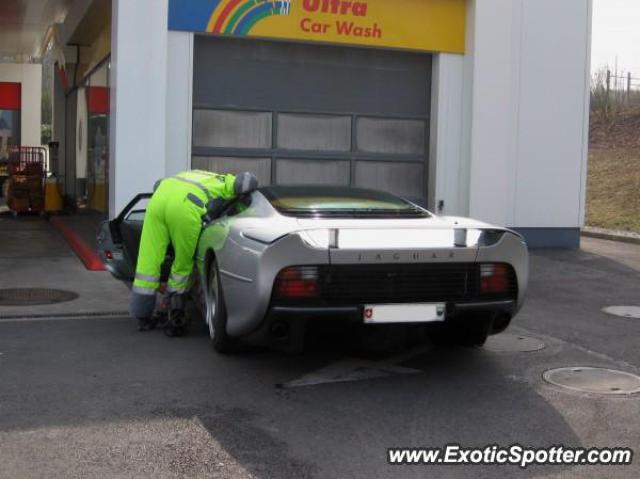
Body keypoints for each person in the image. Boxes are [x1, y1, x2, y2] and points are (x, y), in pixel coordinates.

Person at [129, 169, 258, 333]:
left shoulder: (190, 174)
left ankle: (142, 315)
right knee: (183, 264)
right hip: (184, 207)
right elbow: (247, 182)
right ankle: (175, 315)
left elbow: (158, 184)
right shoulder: (224, 181)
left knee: (147, 261)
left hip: (158, 200)